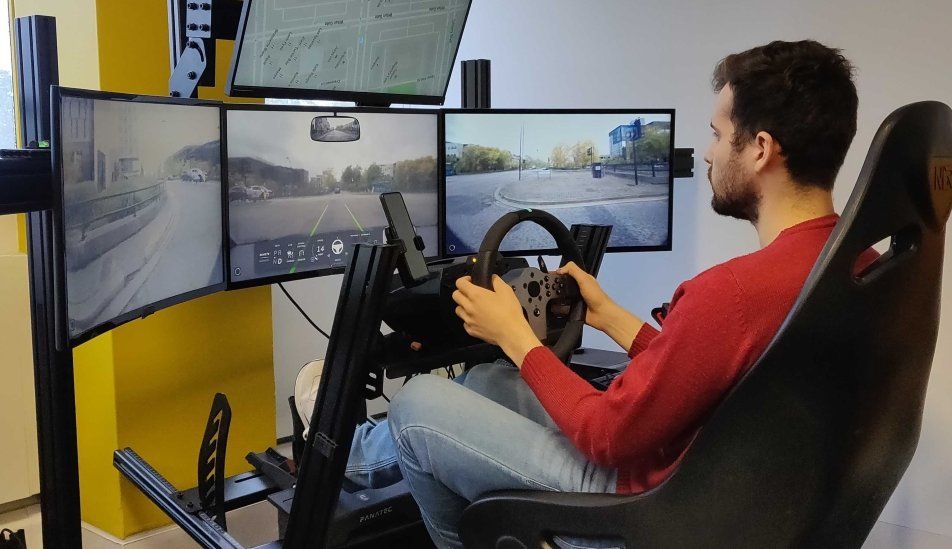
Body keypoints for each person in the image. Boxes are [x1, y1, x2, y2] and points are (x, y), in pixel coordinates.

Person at [300, 40, 864, 548]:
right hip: (716, 482)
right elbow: (711, 374)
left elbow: (606, 435)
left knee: (419, 403)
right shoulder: (851, 265)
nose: (710, 154)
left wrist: (516, 336)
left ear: (761, 148)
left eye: (718, 135)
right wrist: (612, 317)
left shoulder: (733, 292)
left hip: (640, 503)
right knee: (489, 381)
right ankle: (357, 452)